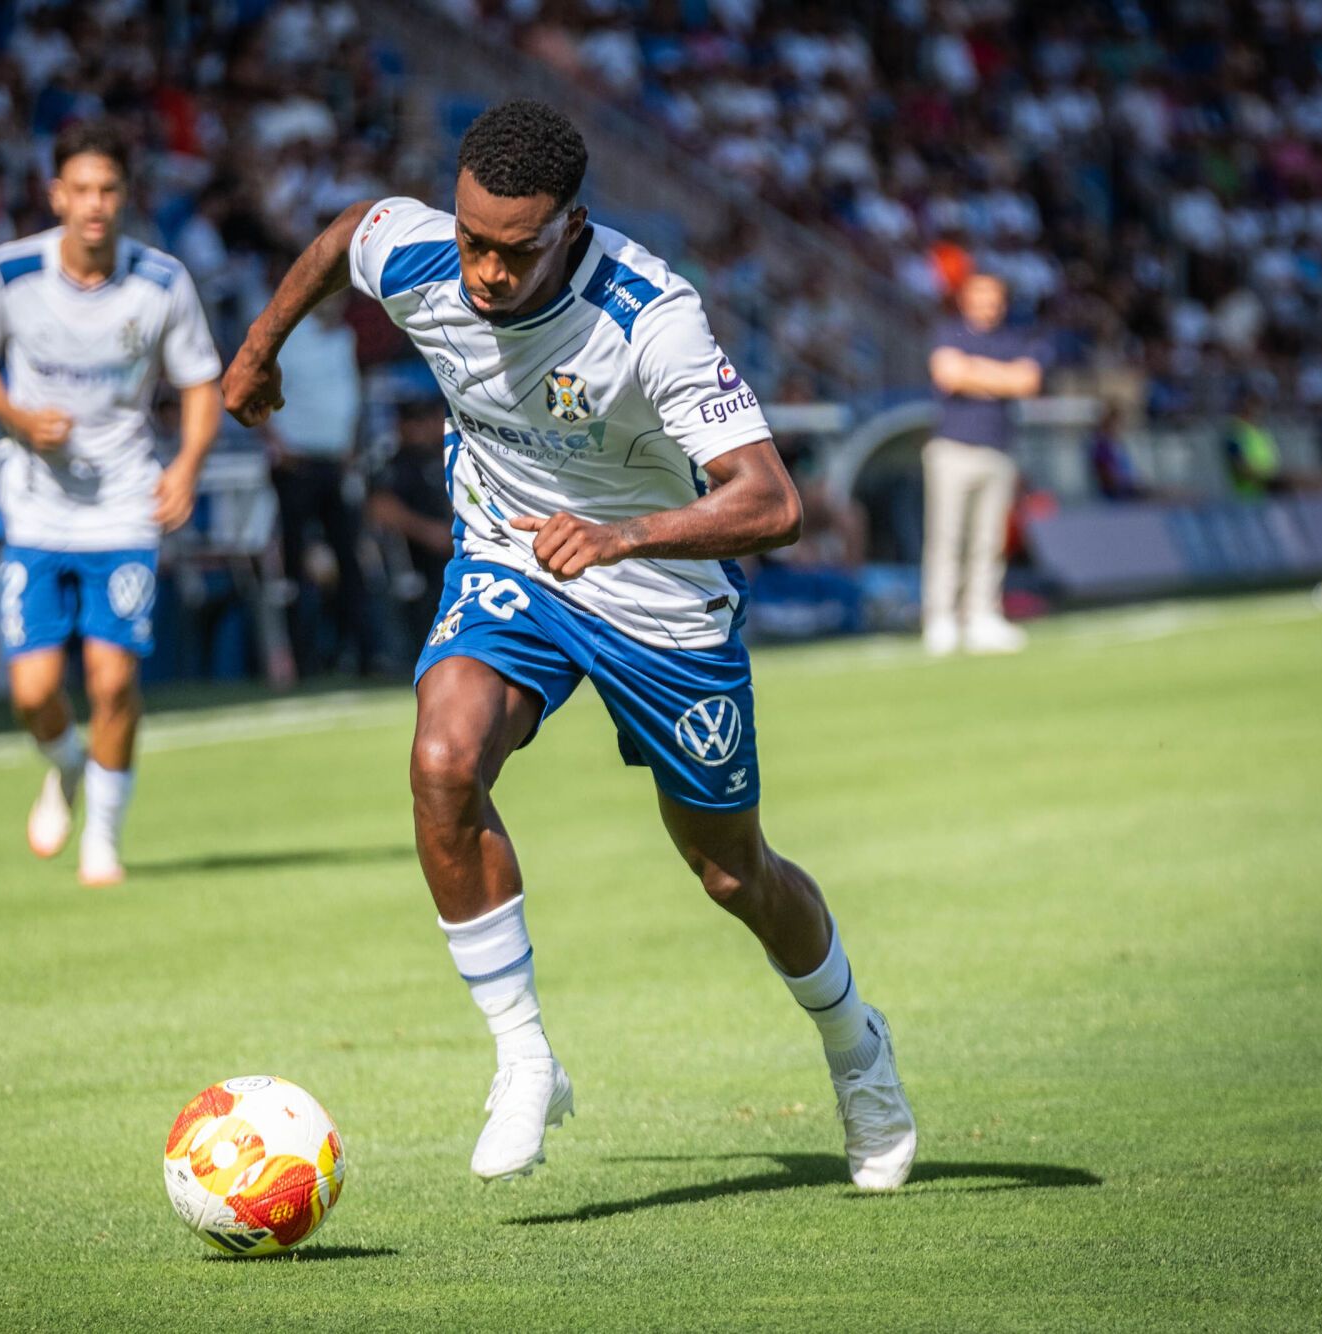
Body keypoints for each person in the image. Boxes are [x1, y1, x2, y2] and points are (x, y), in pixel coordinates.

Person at [222, 99, 915, 1190]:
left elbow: (772, 502)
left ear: (573, 227)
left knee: (730, 871)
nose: (486, 272)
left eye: (516, 249)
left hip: (660, 593)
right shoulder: (420, 253)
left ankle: (855, 1046)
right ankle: (523, 1057)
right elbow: (345, 234)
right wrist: (259, 350)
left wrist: (622, 533)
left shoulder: (651, 317)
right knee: (443, 759)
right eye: (472, 241)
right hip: (512, 558)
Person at [0, 121, 223, 888]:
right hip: (35, 506)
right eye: (81, 189)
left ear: (125, 196)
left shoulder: (161, 282)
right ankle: (67, 763)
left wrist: (187, 466)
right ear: (56, 196)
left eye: (108, 189)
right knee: (34, 693)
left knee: (112, 682)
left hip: (124, 505)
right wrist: (15, 416)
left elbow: (201, 382)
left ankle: (102, 840)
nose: (95, 204)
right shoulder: (11, 272)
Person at [923, 271, 1044, 656]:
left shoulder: (1013, 338)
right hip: (952, 448)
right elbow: (949, 375)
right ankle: (940, 618)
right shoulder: (949, 332)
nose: (987, 303)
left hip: (998, 449)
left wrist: (975, 372)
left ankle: (981, 615)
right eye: (980, 294)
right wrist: (999, 377)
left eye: (994, 296)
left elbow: (1027, 382)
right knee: (947, 537)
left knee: (989, 541)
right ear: (966, 298)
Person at [266, 284, 377, 676]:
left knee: (350, 560)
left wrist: (351, 445)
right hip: (295, 466)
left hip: (335, 464)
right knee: (296, 567)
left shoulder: (345, 338)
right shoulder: (288, 339)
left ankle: (363, 654)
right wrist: (275, 443)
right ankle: (303, 660)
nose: (337, 303)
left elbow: (351, 396)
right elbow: (261, 390)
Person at [366, 396, 456, 657]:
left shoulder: (446, 456)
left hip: (450, 556)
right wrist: (430, 533)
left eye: (425, 420)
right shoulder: (394, 462)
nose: (419, 428)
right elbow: (381, 508)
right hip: (409, 559)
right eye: (413, 421)